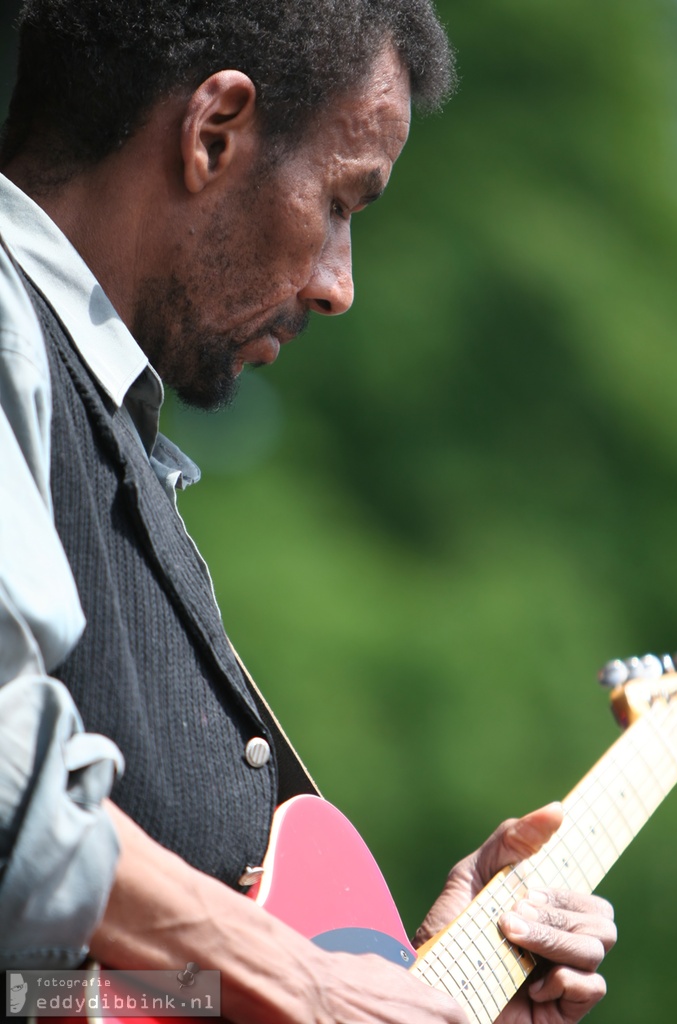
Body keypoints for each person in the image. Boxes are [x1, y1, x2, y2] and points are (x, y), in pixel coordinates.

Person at [0, 1, 616, 1021]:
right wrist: (301, 978)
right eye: (340, 202)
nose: (338, 286)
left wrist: (409, 978)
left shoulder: (93, 416)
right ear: (214, 134)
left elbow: (51, 989)